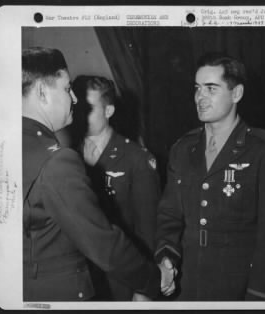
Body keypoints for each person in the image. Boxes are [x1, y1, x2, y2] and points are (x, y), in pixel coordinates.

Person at [22, 47, 174, 301]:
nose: (74, 99)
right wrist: (152, 280)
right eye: (66, 89)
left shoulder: (11, 144)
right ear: (41, 92)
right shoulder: (60, 158)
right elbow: (99, 238)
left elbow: (148, 227)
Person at [155, 52, 265, 301]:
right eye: (197, 88)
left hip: (236, 291)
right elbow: (170, 217)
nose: (200, 97)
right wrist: (166, 259)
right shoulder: (183, 148)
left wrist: (258, 298)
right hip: (186, 288)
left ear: (236, 94)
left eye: (211, 89)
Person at [71, 75, 160, 301]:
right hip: (79, 279)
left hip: (119, 281)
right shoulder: (68, 155)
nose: (81, 114)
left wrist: (144, 290)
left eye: (89, 108)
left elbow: (147, 230)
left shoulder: (136, 158)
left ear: (109, 111)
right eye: (77, 107)